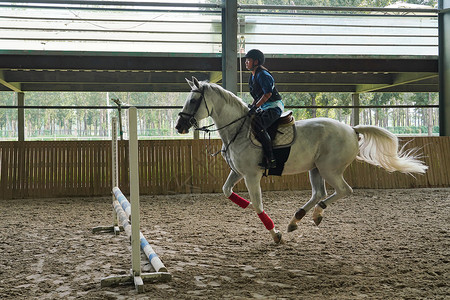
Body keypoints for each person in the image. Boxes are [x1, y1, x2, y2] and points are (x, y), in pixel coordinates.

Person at [244, 49, 284, 169]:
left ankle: (271, 159)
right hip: (263, 107)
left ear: (256, 61)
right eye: (246, 60)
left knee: (258, 126)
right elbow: (258, 96)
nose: (246, 62)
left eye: (248, 60)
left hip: (273, 107)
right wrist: (252, 106)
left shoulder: (263, 75)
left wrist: (255, 106)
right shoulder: (253, 76)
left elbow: (267, 94)